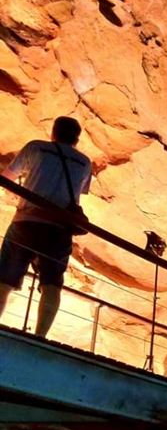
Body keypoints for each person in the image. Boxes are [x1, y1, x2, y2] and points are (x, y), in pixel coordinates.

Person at [0, 116, 92, 337]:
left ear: (54, 132)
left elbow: (7, 177)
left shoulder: (37, 148)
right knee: (52, 284)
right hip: (58, 230)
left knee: (4, 280)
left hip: (26, 222)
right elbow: (79, 192)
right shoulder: (84, 162)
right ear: (76, 139)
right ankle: (40, 337)